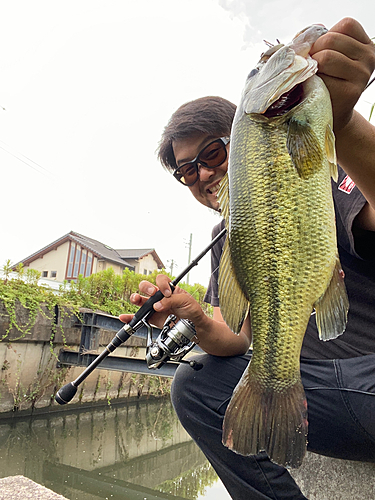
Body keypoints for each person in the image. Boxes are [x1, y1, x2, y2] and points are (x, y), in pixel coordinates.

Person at [120, 18, 375, 499]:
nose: (202, 174)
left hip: (368, 375)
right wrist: (194, 316)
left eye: (212, 152)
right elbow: (237, 338)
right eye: (186, 171)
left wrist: (344, 124)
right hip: (322, 394)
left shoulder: (327, 174)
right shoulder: (227, 236)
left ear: (243, 139)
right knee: (193, 386)